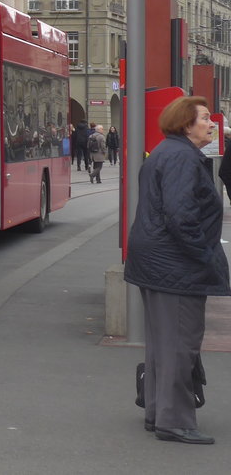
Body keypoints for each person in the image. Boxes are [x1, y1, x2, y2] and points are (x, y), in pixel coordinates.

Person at [124, 95, 230, 444]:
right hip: (175, 264)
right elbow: (181, 215)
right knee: (181, 343)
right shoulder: (183, 158)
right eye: (204, 118)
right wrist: (203, 255)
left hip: (156, 261)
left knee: (162, 343)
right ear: (186, 124)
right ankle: (175, 420)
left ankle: (159, 412)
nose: (212, 123)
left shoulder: (166, 153)